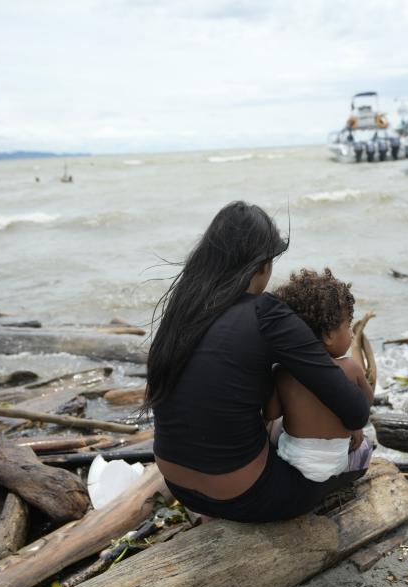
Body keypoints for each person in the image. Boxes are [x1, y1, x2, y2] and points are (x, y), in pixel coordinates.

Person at [147, 201, 371, 523]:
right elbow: (355, 411)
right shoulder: (266, 312)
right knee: (361, 452)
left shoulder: (182, 310)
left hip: (179, 485)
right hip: (246, 497)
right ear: (262, 264)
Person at [265, 268, 374, 483]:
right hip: (337, 464)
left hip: (291, 462)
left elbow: (271, 412)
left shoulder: (283, 371)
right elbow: (365, 403)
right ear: (328, 335)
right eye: (348, 326)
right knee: (365, 447)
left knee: (273, 427)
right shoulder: (351, 368)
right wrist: (354, 428)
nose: (352, 333)